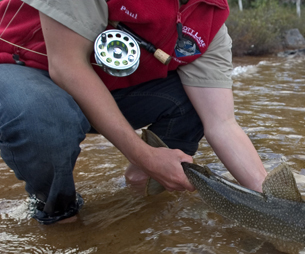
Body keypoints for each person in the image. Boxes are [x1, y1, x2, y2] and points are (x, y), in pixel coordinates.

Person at [0, 0, 267, 224]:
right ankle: (57, 211)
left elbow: (222, 122)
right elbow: (67, 67)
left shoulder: (210, 17)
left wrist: (274, 203)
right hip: (23, 68)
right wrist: (147, 156)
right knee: (43, 116)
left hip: (106, 87)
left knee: (197, 100)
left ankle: (140, 182)